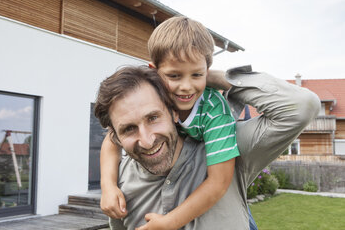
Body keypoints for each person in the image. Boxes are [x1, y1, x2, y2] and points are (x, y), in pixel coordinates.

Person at [94, 65, 320, 229]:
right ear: (116, 135)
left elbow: (302, 107)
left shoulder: (226, 147)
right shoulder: (117, 187)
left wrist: (199, 75)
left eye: (153, 118)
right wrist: (107, 184)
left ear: (173, 110)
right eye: (129, 129)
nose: (147, 140)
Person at [100, 16, 243, 230]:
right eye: (175, 75)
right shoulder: (157, 96)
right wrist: (108, 186)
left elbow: (218, 183)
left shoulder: (215, 113)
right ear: (154, 71)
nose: (186, 87)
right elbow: (112, 140)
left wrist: (169, 223)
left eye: (196, 74)